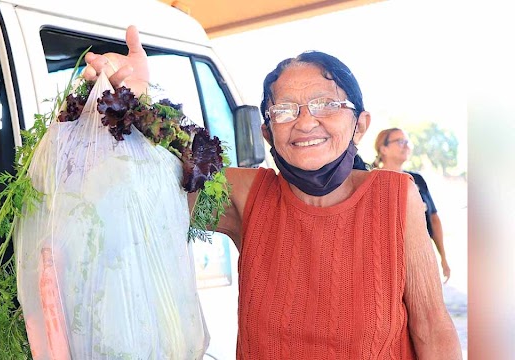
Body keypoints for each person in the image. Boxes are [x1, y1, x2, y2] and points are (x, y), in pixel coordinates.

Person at [83, 25, 462, 360]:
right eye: (284, 110)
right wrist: (135, 99)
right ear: (267, 134)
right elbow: (141, 187)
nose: (306, 121)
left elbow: (432, 329)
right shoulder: (246, 195)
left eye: (326, 104)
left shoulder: (396, 197)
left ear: (360, 125)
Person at [373, 128, 451, 283]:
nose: (406, 146)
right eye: (400, 141)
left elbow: (434, 219)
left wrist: (443, 258)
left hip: (421, 255)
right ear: (383, 149)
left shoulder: (417, 180)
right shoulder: (372, 180)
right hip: (386, 261)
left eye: (407, 142)